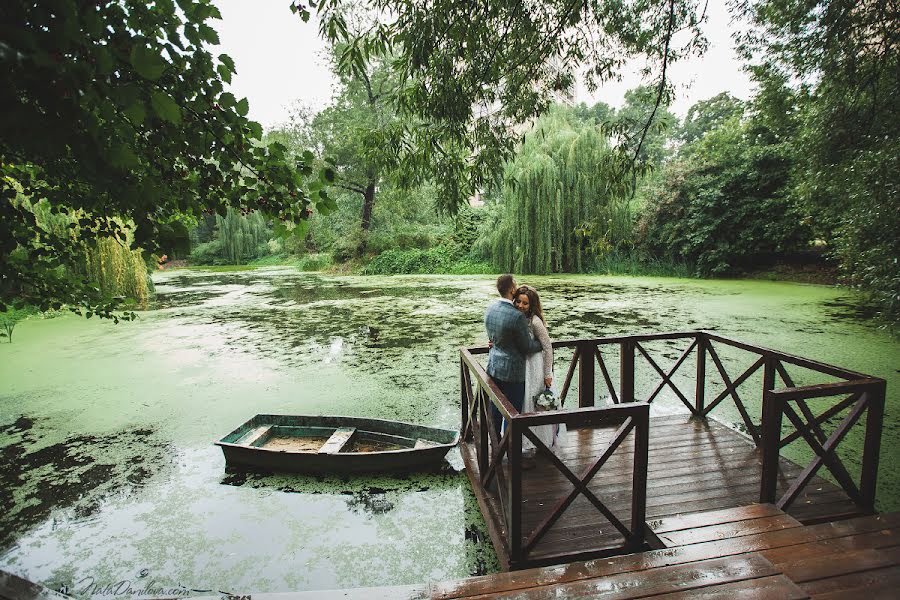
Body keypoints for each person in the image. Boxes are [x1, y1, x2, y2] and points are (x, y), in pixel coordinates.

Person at [484, 274, 543, 440]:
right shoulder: (516, 316)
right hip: (513, 373)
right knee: (513, 414)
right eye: (515, 284)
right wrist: (541, 343)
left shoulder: (490, 309)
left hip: (494, 367)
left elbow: (495, 337)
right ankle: (511, 452)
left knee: (495, 409)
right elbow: (527, 347)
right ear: (511, 289)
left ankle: (495, 446)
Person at [514, 285, 563, 454]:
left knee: (534, 402)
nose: (520, 305)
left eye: (525, 303)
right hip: (521, 366)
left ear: (532, 305)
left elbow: (548, 348)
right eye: (518, 301)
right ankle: (524, 442)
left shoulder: (535, 321)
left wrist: (547, 373)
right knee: (523, 403)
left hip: (535, 366)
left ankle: (538, 443)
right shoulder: (516, 318)